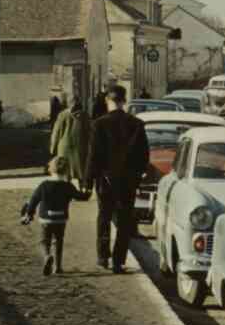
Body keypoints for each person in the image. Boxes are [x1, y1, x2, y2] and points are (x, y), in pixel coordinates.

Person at [86, 85, 148, 274]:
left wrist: (88, 181)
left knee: (104, 217)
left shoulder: (99, 124)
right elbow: (143, 155)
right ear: (124, 101)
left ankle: (103, 257)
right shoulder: (136, 124)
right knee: (124, 220)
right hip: (128, 181)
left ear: (108, 101)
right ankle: (119, 261)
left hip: (105, 180)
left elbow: (93, 155)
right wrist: (137, 177)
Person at [21, 156, 91, 276]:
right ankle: (58, 267)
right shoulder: (67, 186)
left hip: (46, 218)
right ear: (66, 171)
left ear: (51, 169)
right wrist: (88, 190)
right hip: (61, 218)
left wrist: (29, 213)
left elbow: (34, 200)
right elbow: (81, 197)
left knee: (44, 241)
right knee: (58, 241)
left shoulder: (44, 185)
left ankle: (47, 256)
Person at [50, 98, 91, 189]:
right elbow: (90, 132)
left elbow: (57, 132)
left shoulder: (63, 115)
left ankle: (66, 190)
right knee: (81, 170)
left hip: (64, 146)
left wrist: (53, 147)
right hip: (80, 146)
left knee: (65, 170)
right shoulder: (85, 115)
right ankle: (82, 189)